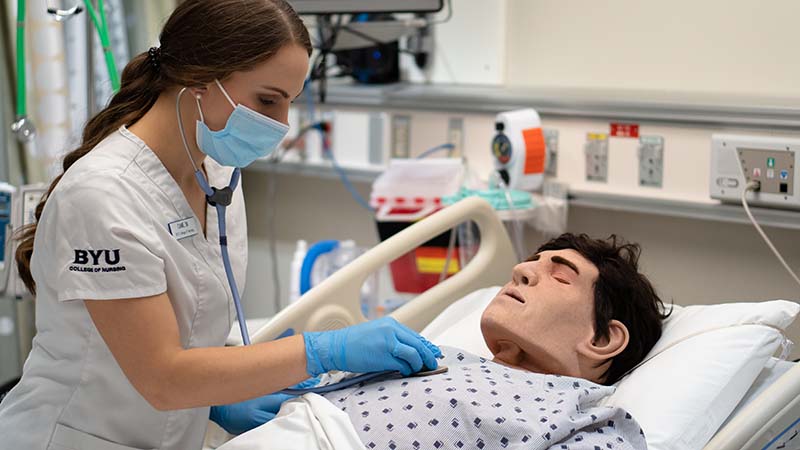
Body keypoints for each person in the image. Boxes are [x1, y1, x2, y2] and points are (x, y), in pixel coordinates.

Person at [0, 1, 439, 449]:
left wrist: (217, 399)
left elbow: (191, 328)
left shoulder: (218, 175)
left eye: (290, 102)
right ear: (197, 79)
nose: (282, 124)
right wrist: (321, 351)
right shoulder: (101, 195)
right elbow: (163, 377)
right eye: (268, 100)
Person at [309, 233, 669, 449]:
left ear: (602, 339)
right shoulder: (436, 358)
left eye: (559, 277)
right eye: (531, 263)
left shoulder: (581, 423)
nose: (521, 271)